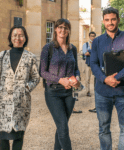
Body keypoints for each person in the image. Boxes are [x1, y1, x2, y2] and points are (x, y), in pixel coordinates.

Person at [90, 7, 124, 150]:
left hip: (123, 91)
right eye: (107, 20)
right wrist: (104, 79)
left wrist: (117, 77)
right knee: (103, 129)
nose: (110, 22)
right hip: (102, 92)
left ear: (118, 19)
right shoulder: (97, 41)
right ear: (103, 21)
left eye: (113, 19)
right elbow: (93, 63)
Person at [0, 25, 39, 150]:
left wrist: (26, 88)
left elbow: (36, 78)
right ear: (10, 37)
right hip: (4, 101)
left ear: (25, 38)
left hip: (22, 102)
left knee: (19, 136)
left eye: (21, 35)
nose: (18, 38)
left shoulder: (31, 57)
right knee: (3, 136)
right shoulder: (2, 55)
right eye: (15, 35)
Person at [40, 18, 80, 150]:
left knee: (61, 126)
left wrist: (77, 78)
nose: (63, 30)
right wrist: (60, 80)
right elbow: (42, 72)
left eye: (66, 28)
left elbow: (76, 68)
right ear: (56, 29)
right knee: (63, 127)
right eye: (60, 27)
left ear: (69, 31)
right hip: (53, 92)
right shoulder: (48, 48)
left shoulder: (72, 48)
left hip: (70, 93)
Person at [82, 31, 97, 113]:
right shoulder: (85, 44)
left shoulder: (96, 44)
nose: (93, 37)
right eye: (91, 36)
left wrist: (90, 52)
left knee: (96, 79)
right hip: (88, 64)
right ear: (89, 36)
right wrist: (92, 53)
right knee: (87, 79)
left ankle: (96, 91)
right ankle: (88, 91)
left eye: (94, 36)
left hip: (94, 64)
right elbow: (86, 53)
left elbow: (96, 53)